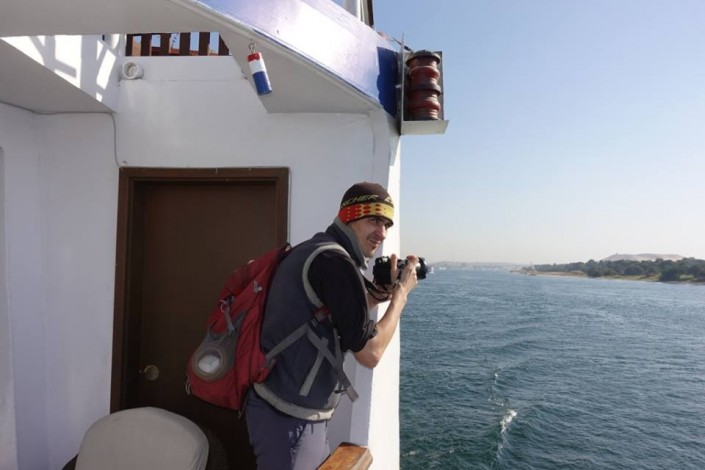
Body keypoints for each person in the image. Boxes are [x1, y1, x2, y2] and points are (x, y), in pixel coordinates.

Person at [245, 182, 419, 469]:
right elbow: (370, 353)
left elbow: (331, 312)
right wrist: (401, 295)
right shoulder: (336, 263)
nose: (382, 232)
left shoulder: (317, 248)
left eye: (387, 224)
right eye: (373, 220)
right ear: (350, 216)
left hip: (279, 406)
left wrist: (377, 294)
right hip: (291, 418)